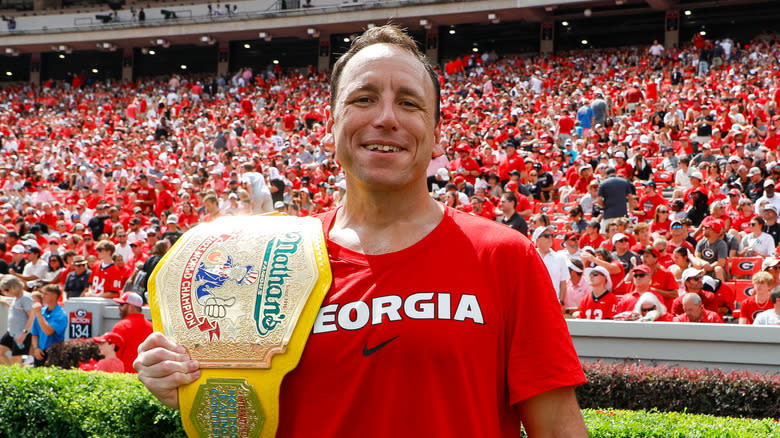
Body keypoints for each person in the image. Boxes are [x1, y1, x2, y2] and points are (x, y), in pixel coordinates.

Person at [134, 25, 587, 437]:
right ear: (332, 124)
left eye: (409, 102)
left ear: (435, 134)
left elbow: (559, 431)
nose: (386, 117)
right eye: (363, 98)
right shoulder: (269, 259)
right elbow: (242, 420)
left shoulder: (504, 256)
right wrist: (192, 385)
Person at [112, 292, 153, 373]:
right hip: (145, 377)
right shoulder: (151, 327)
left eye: (122, 304)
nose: (119, 307)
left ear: (131, 307)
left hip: (124, 377)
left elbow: (114, 355)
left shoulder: (120, 326)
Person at [30, 284, 67, 366]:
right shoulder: (42, 311)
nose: (42, 296)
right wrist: (35, 348)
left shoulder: (60, 314)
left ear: (55, 296)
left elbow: (48, 331)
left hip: (53, 352)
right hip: (40, 351)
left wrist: (38, 313)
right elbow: (35, 333)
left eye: (46, 294)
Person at [0, 275, 33, 365]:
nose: (5, 293)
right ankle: (11, 372)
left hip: (21, 333)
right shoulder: (16, 298)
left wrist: (24, 332)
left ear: (13, 287)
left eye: (7, 290)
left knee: (16, 359)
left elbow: (32, 316)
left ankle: (16, 374)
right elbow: (17, 311)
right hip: (11, 331)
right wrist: (6, 303)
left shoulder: (26, 298)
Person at [533, 225, 569, 306]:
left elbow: (563, 283)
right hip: (533, 303)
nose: (550, 238)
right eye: (546, 236)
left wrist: (561, 302)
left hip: (553, 304)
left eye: (551, 235)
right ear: (537, 239)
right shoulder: (530, 257)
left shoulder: (560, 258)